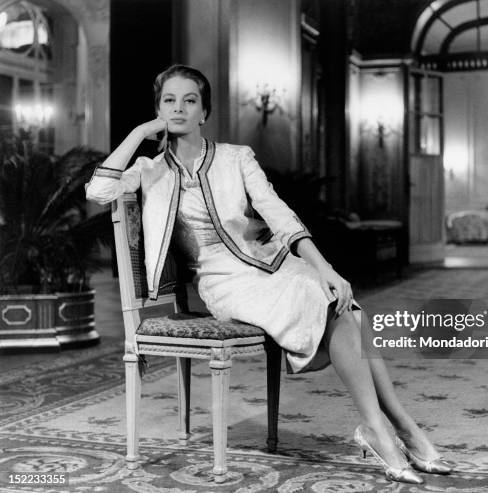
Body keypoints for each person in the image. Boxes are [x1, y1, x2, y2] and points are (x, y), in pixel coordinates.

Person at [85, 64, 452, 484]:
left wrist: (324, 267)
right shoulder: (151, 170)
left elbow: (277, 212)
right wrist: (139, 132)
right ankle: (394, 431)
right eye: (169, 100)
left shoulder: (237, 157)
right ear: (158, 109)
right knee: (336, 308)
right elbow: (98, 191)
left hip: (271, 263)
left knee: (343, 304)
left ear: (204, 112)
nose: (179, 108)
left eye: (190, 100)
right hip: (223, 285)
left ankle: (388, 428)